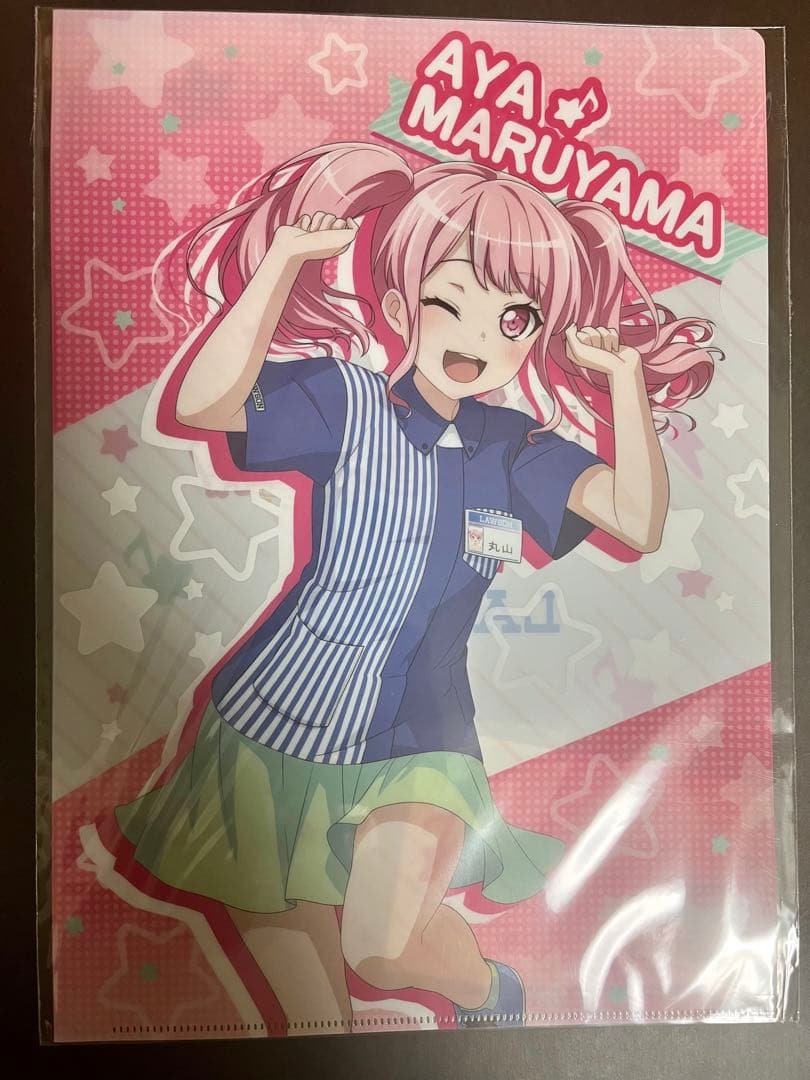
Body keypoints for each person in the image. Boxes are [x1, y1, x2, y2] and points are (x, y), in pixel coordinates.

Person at [115, 142, 717, 1033]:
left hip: (421, 737)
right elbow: (204, 403)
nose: (478, 336)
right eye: (450, 300)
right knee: (317, 1029)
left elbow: (637, 519)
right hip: (266, 728)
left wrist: (625, 381)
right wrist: (284, 262)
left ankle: (488, 993)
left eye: (514, 318)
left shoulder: (513, 447)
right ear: (399, 306)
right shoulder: (343, 398)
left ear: (534, 336)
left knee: (382, 946)